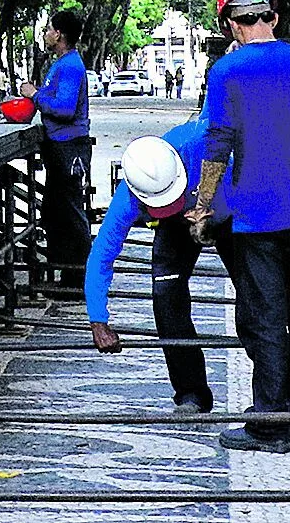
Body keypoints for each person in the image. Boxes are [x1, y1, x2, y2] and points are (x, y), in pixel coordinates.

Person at [187, 0, 290, 455]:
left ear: (231, 25)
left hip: (256, 223)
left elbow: (217, 146)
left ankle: (271, 424)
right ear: (273, 17)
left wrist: (202, 206)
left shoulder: (227, 73)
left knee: (265, 321)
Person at [86, 127, 232, 413]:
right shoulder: (129, 195)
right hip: (174, 227)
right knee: (166, 296)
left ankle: (274, 395)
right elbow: (102, 253)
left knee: (256, 297)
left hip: (225, 206)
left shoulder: (202, 143)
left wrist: (211, 217)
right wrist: (98, 319)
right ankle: (191, 392)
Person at [30, 8, 92, 293]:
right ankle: (65, 272)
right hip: (59, 145)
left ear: (59, 34)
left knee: (68, 211)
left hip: (69, 146)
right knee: (54, 210)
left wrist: (35, 95)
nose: (45, 34)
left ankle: (78, 277)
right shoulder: (63, 64)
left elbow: (65, 109)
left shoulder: (70, 66)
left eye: (48, 29)